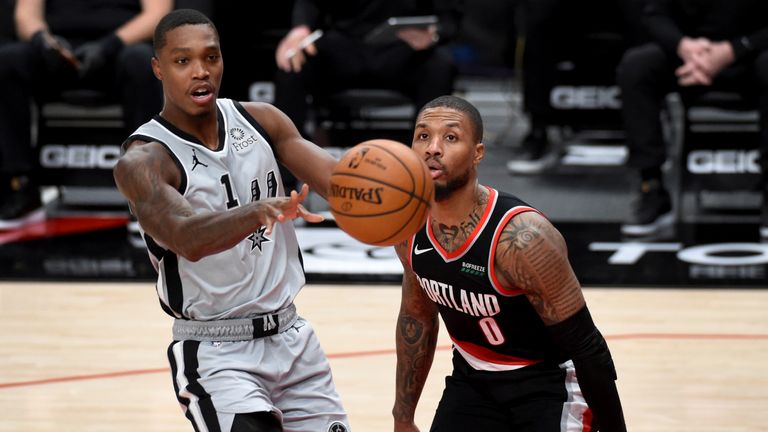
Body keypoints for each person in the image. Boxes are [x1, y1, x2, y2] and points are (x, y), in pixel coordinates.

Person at [113, 9, 350, 432]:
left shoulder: (263, 121)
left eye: (211, 57)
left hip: (292, 337)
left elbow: (341, 185)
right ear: (158, 68)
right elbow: (186, 237)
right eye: (183, 61)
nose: (201, 72)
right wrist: (261, 211)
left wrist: (401, 186)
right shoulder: (145, 160)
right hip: (217, 352)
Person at [392, 95, 626, 431]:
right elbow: (417, 319)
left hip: (548, 383)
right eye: (423, 136)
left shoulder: (522, 239)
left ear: (478, 154)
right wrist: (403, 416)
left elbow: (588, 347)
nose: (433, 148)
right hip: (471, 378)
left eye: (451, 137)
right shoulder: (408, 226)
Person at [0, 0, 170, 229]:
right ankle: (20, 186)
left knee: (141, 61)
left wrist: (110, 45)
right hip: (58, 52)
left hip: (120, 48)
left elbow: (157, 15)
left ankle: (145, 193)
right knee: (9, 61)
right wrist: (44, 42)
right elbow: (25, 15)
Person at [616, 0, 768, 239]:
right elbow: (654, 14)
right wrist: (683, 46)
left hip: (751, 55)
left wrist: (732, 50)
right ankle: (651, 186)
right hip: (691, 59)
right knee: (637, 66)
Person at [273, 0, 462, 140]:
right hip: (345, 47)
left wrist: (433, 34)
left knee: (440, 65)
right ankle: (286, 174)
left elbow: (450, 16)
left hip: (403, 50)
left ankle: (426, 167)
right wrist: (300, 29)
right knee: (292, 63)